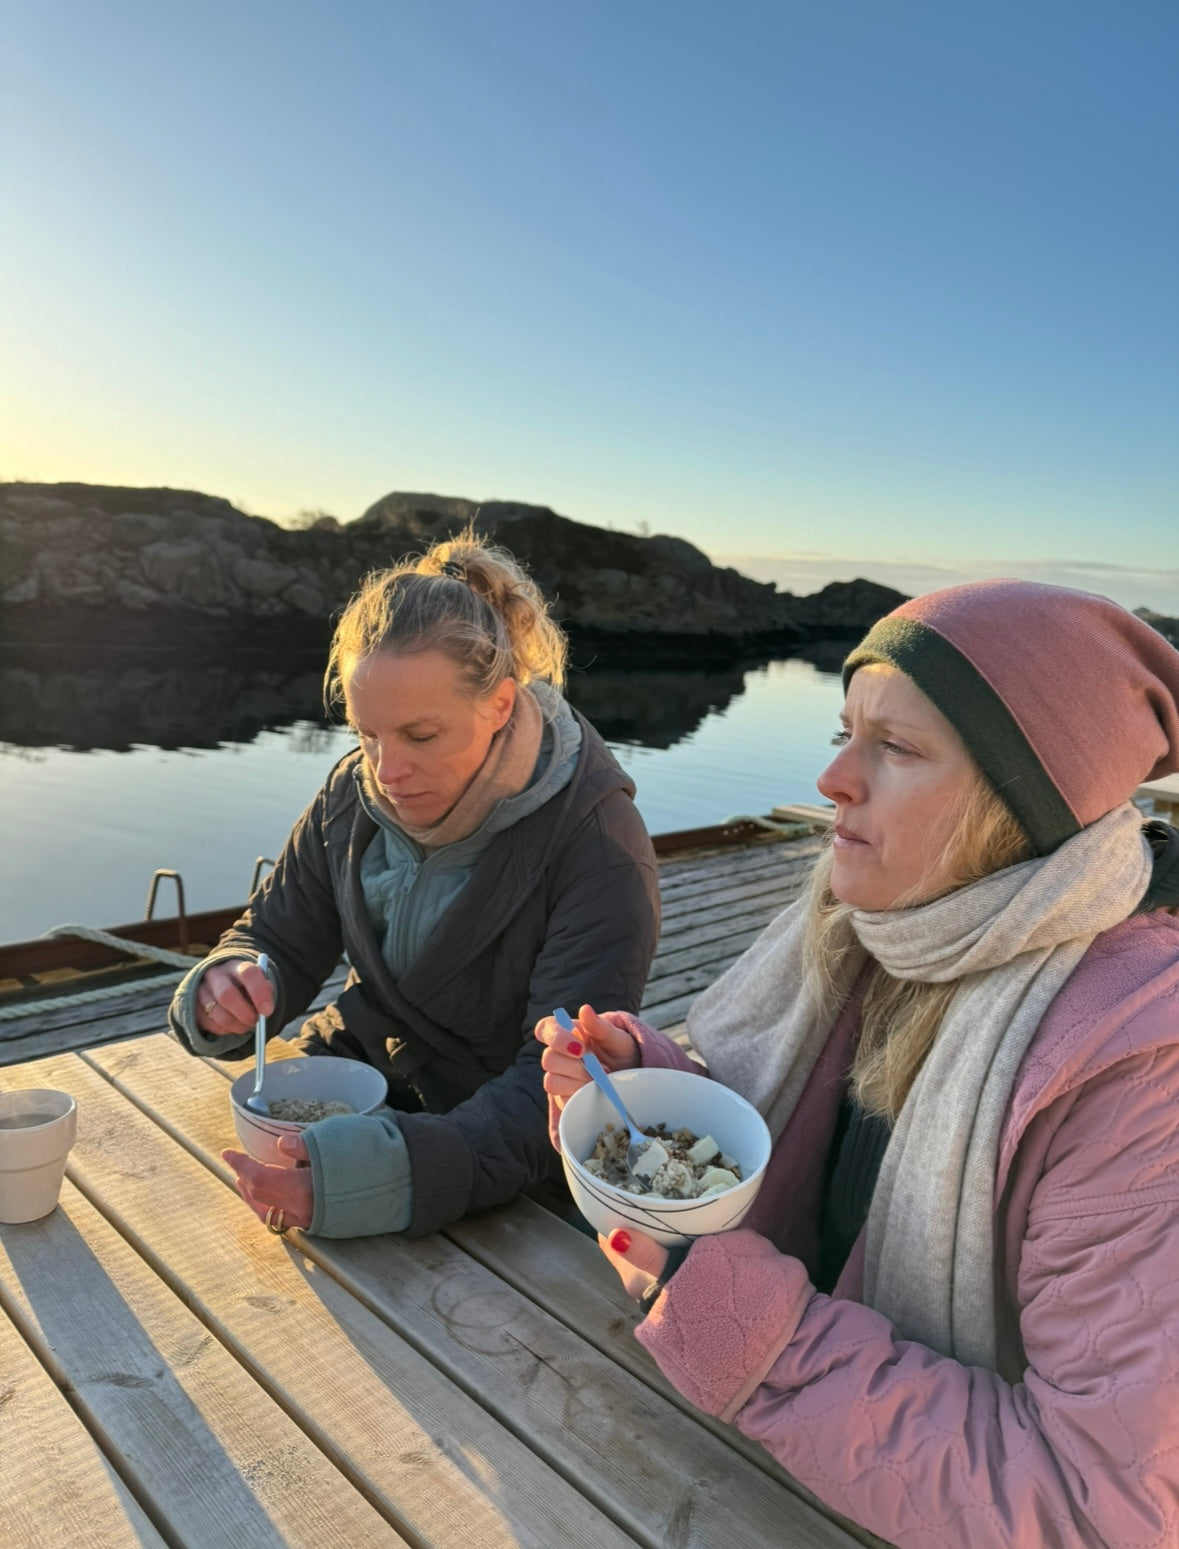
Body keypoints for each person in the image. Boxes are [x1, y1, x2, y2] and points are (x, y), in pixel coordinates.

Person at [538, 579, 1179, 1549]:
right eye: (845, 732)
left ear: (1021, 803)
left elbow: (1103, 1507)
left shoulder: (1139, 1076)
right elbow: (798, 1127)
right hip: (755, 1468)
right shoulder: (877, 930)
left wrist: (754, 1335)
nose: (835, 776)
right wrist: (652, 1081)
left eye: (897, 746)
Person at [170, 529, 660, 1239]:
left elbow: (550, 1089)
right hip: (344, 1084)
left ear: (499, 704)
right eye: (367, 732)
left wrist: (373, 1177)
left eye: (420, 736)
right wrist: (226, 984)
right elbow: (276, 934)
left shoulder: (600, 849)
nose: (386, 770)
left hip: (487, 1155)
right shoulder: (353, 790)